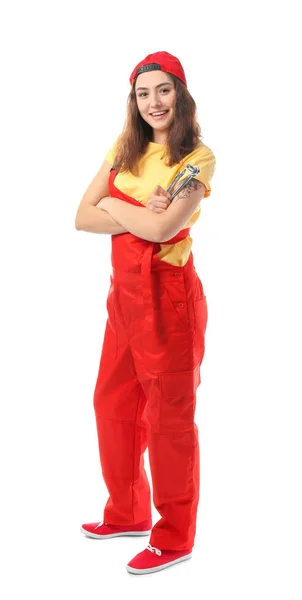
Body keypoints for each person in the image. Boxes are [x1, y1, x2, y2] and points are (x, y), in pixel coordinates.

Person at [75, 51, 216, 575]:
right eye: (143, 93)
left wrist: (113, 206)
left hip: (169, 299)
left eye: (163, 90)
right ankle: (128, 512)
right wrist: (126, 208)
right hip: (123, 298)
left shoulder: (197, 159)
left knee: (168, 422)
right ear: (134, 102)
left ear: (180, 93)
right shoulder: (124, 148)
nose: (154, 102)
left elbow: (162, 232)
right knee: (111, 405)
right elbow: (81, 216)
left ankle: (174, 537)